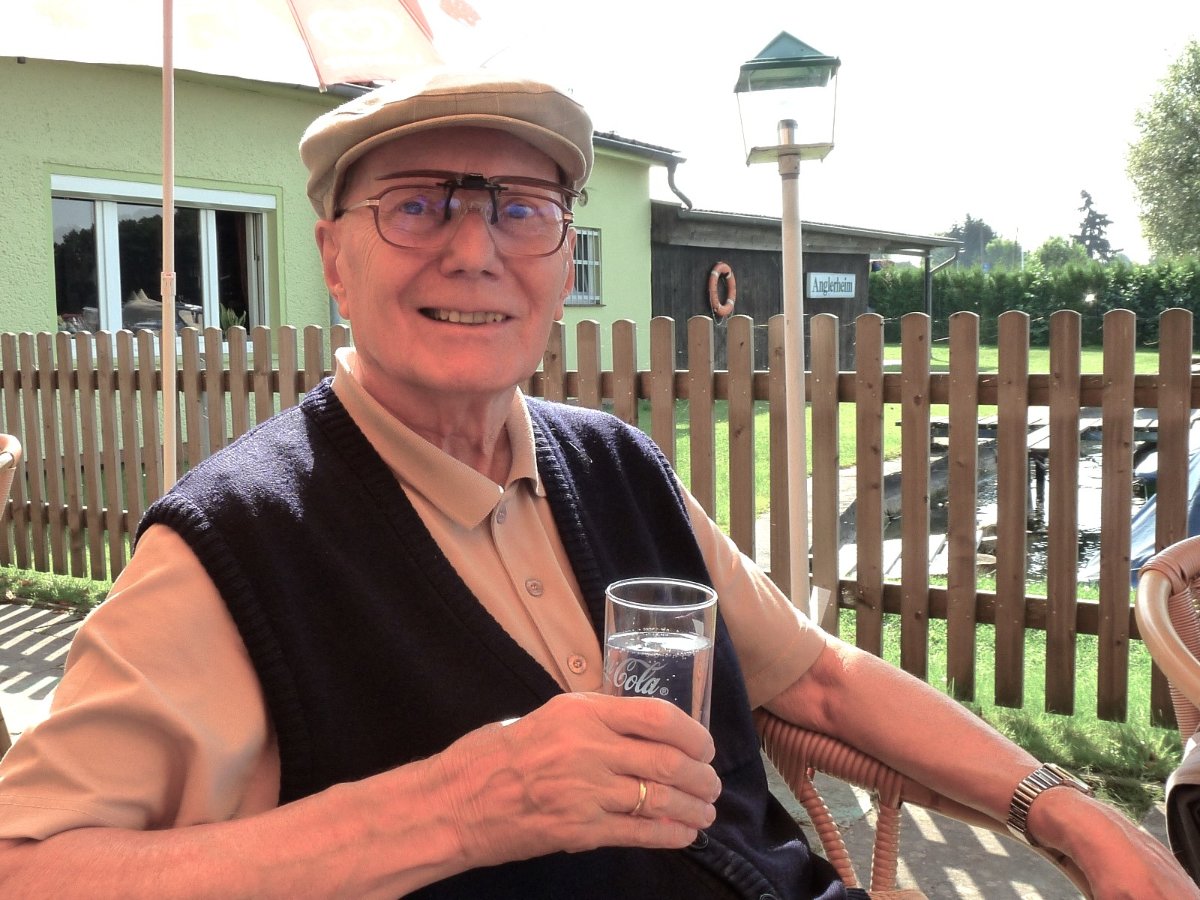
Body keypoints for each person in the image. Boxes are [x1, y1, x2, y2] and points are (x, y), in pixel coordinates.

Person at [0, 69, 1192, 900]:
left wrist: (1067, 811)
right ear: (334, 258)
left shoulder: (614, 462)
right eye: (416, 206)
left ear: (563, 254)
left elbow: (820, 682)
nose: (474, 250)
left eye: (521, 209)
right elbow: (28, 867)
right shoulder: (233, 544)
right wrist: (457, 811)